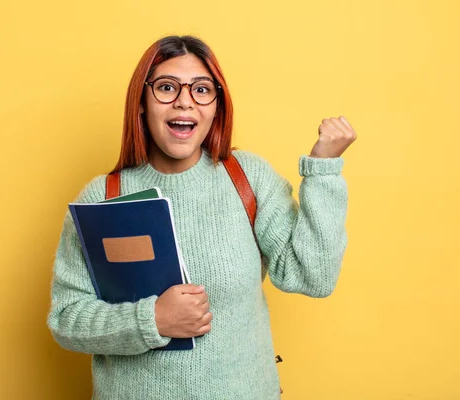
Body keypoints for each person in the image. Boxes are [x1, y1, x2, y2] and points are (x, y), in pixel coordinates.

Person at [47, 35, 356, 399]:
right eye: (166, 87)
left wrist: (323, 170)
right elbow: (67, 319)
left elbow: (313, 277)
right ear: (142, 103)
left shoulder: (248, 178)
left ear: (216, 105)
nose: (184, 101)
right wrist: (152, 320)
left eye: (201, 89)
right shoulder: (102, 197)